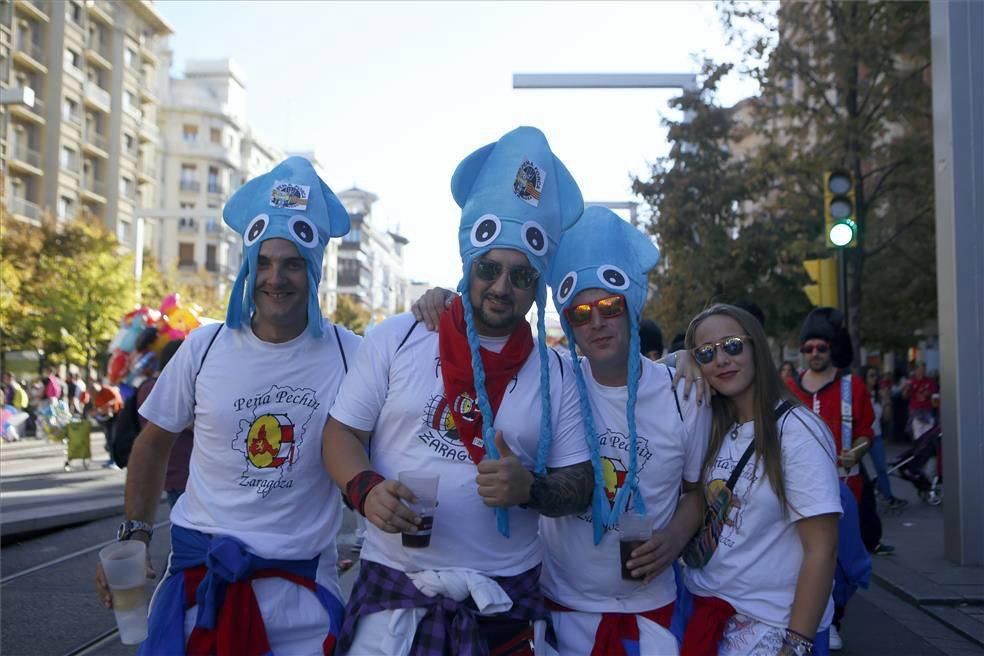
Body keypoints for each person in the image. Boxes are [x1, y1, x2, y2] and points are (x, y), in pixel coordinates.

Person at [323, 126, 593, 655]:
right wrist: (366, 489)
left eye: (520, 276)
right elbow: (340, 434)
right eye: (489, 268)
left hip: (504, 598)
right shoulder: (399, 337)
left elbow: (581, 481)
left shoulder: (557, 371)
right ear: (468, 265)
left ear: (536, 286)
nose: (501, 286)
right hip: (395, 596)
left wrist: (530, 490)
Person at [95, 156, 357, 655]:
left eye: (293, 263)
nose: (275, 278)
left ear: (315, 272)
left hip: (302, 601)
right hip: (201, 587)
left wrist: (438, 308)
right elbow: (152, 445)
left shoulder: (352, 354)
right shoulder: (204, 346)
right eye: (263, 261)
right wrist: (134, 533)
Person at [536, 206, 710, 654]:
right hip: (560, 609)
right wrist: (440, 302)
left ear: (631, 305)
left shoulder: (682, 394)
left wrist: (674, 538)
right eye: (579, 313)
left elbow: (696, 492)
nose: (596, 321)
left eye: (609, 306)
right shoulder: (553, 381)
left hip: (651, 612)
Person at [681, 304, 841, 656]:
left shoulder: (797, 431)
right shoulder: (715, 424)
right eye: (707, 353)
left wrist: (796, 645)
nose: (721, 359)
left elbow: (822, 549)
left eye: (733, 345)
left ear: (756, 348)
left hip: (769, 629)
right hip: (706, 614)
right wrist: (680, 358)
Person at [786, 307, 882, 650]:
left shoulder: (851, 385)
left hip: (845, 490)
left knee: (842, 560)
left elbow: (867, 428)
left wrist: (856, 450)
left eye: (821, 348)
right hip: (798, 492)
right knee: (804, 555)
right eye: (808, 348)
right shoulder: (787, 386)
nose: (814, 354)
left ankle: (835, 614)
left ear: (832, 349)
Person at [860, 365, 905, 510]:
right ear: (865, 378)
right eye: (871, 375)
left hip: (876, 435)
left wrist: (886, 401)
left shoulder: (878, 395)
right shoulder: (860, 395)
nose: (874, 379)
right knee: (858, 469)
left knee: (881, 468)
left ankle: (887, 495)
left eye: (875, 376)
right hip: (861, 436)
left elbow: (886, 418)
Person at [902, 362, 937, 441]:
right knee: (917, 435)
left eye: (923, 369)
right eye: (920, 369)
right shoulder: (911, 381)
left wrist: (929, 394)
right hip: (915, 410)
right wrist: (907, 389)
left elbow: (934, 396)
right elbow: (904, 396)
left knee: (929, 433)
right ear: (916, 370)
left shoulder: (930, 381)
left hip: (927, 410)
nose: (922, 371)